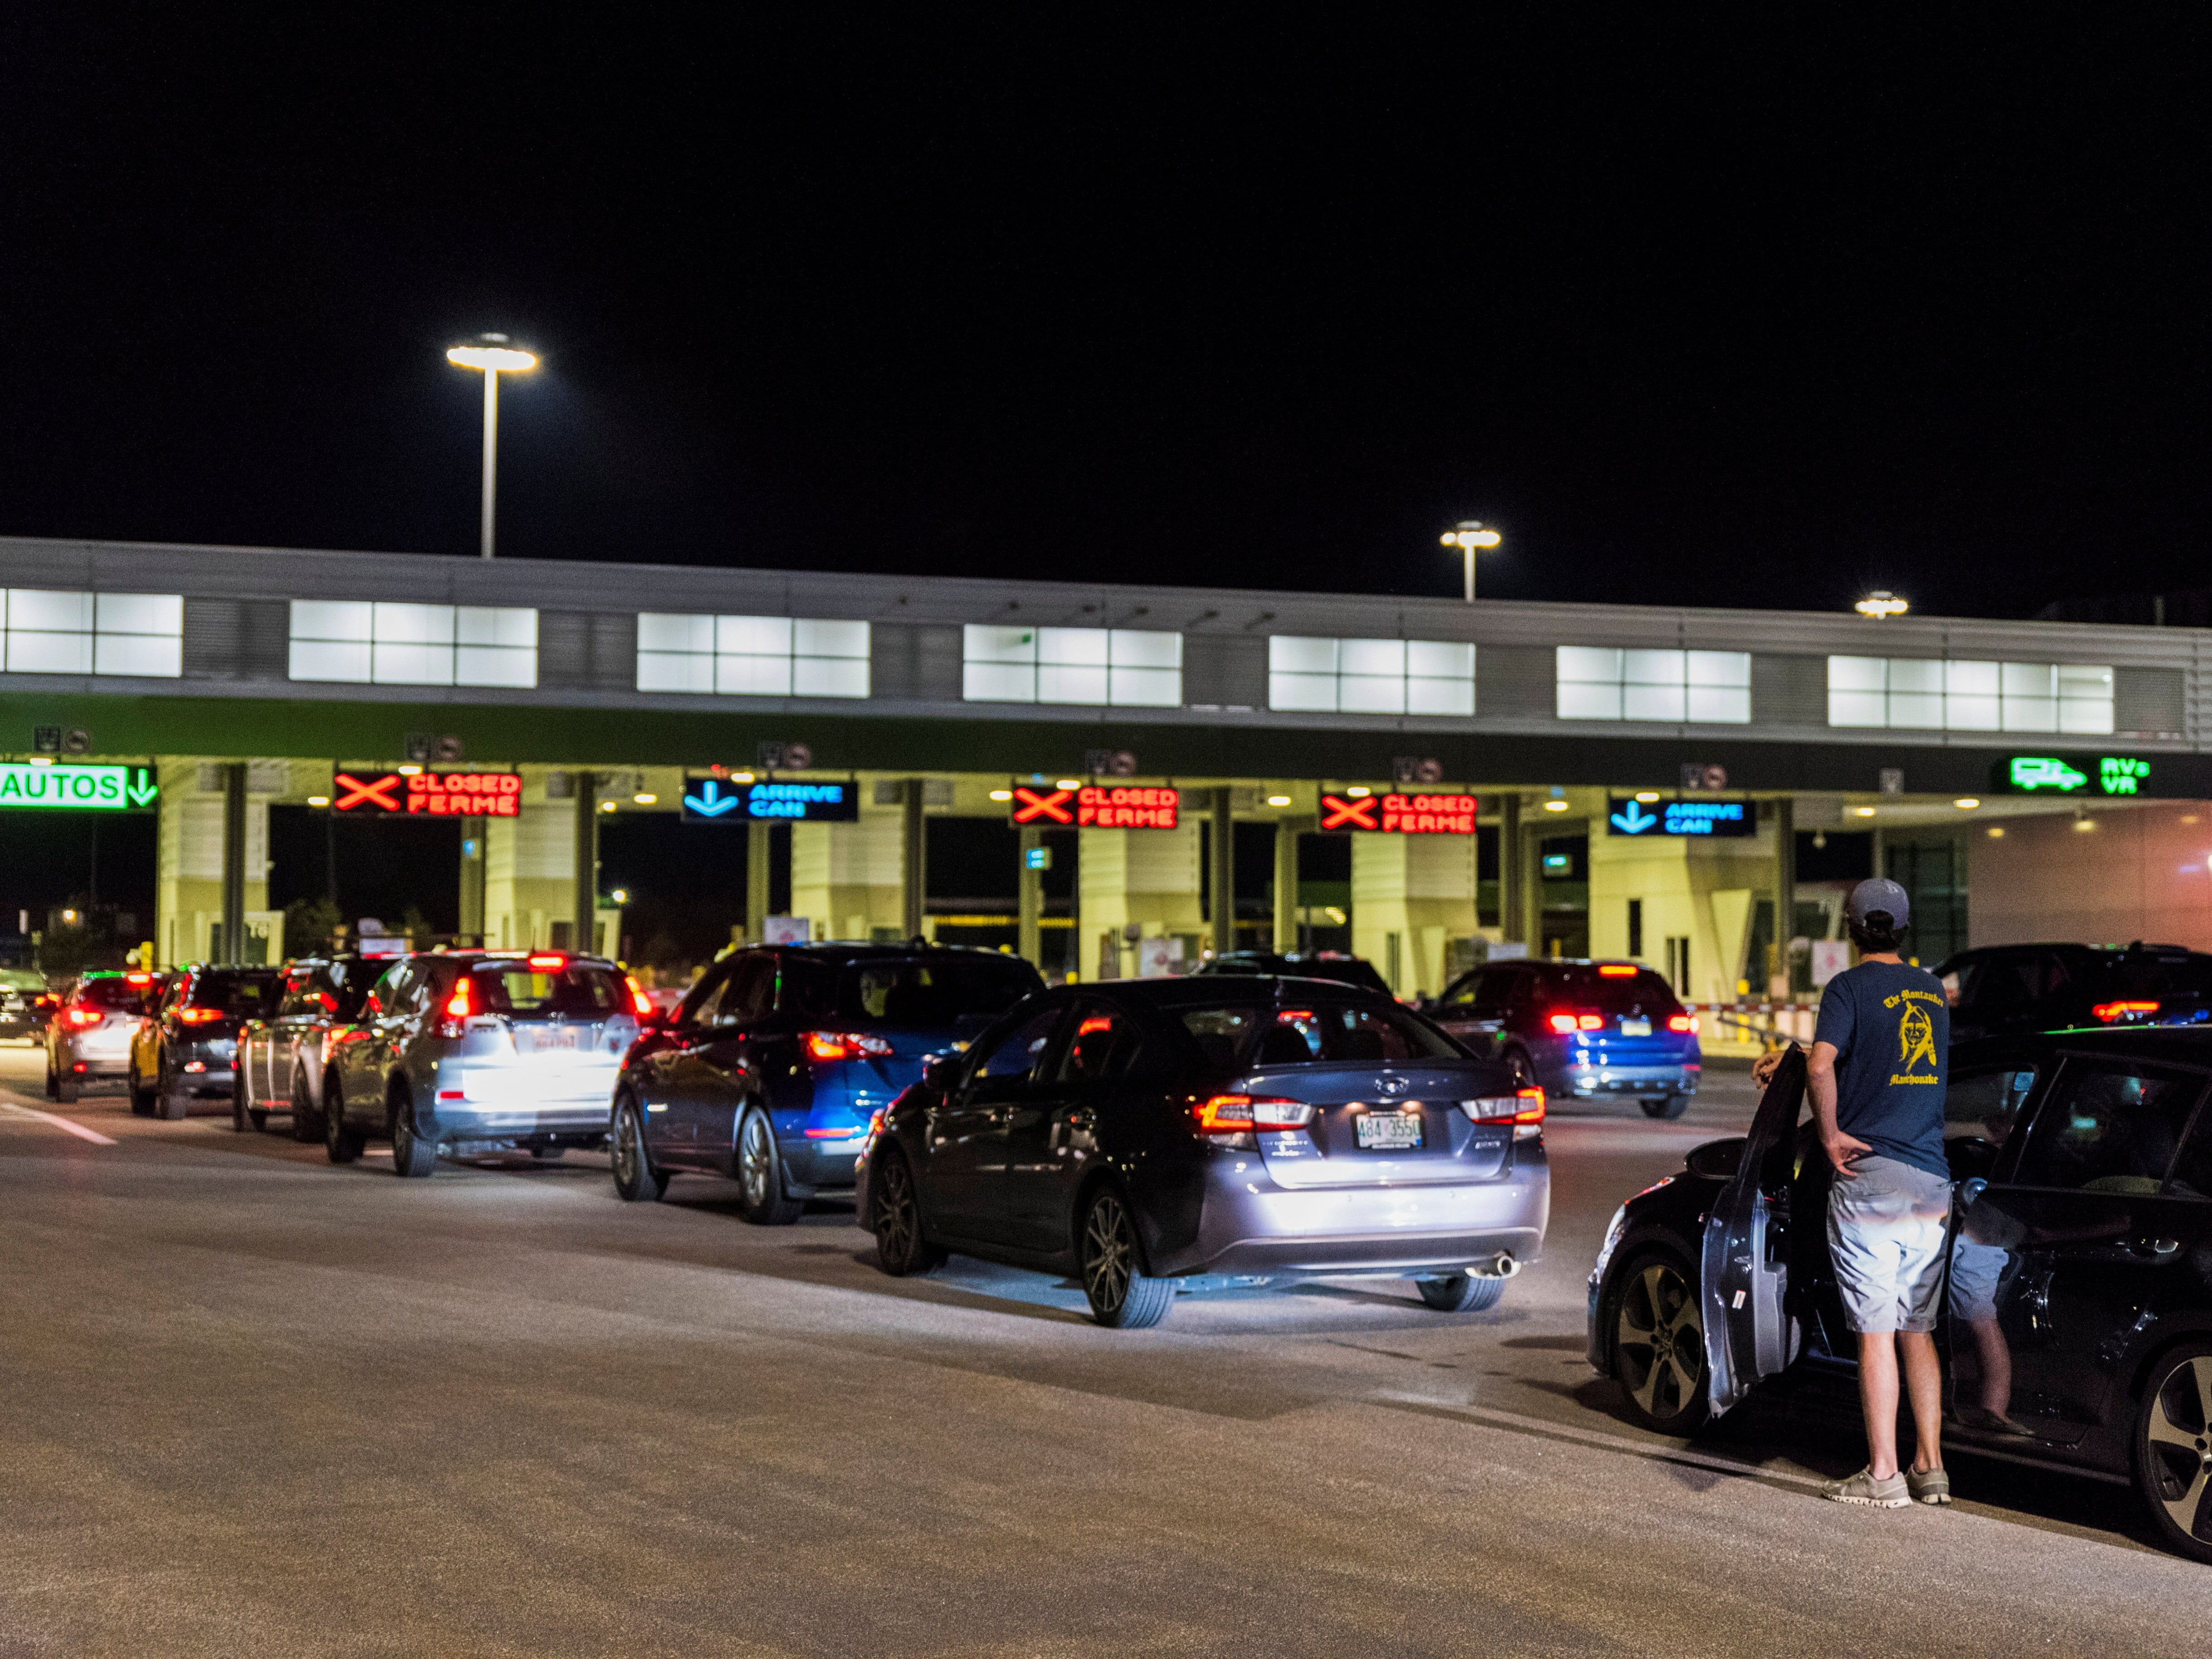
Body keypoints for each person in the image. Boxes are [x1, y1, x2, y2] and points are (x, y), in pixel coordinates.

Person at [1756, 878, 1953, 1508]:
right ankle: (1931, 1467)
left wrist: (1833, 1135)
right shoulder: (1933, 991)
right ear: (1903, 927)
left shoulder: (1846, 988)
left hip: (1872, 1184)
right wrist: (1804, 1057)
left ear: (1851, 928)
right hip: (1931, 1181)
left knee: (1875, 1332)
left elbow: (1826, 1065)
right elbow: (1883, 1056)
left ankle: (1884, 1475)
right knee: (1917, 1329)